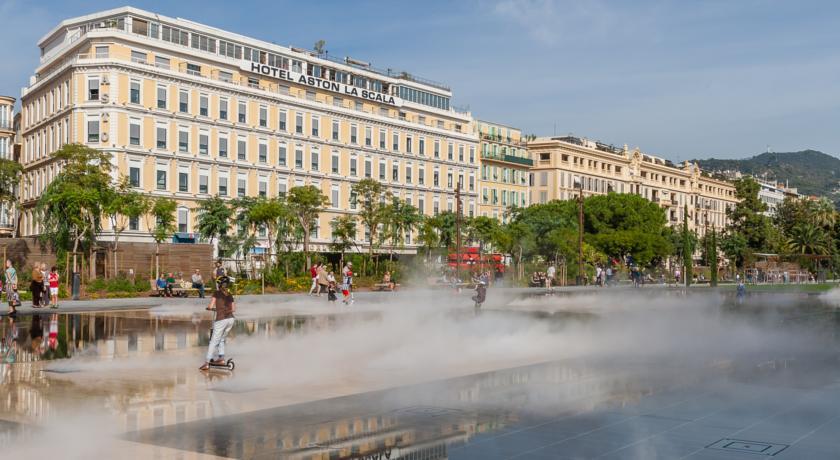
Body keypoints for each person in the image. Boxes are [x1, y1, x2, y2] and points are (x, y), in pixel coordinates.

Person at [200, 276, 236, 371]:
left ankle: (207, 362)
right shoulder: (230, 294)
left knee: (213, 341)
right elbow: (233, 309)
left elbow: (210, 305)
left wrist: (209, 308)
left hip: (221, 319)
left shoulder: (216, 293)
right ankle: (221, 358)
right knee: (222, 339)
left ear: (219, 284)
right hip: (231, 319)